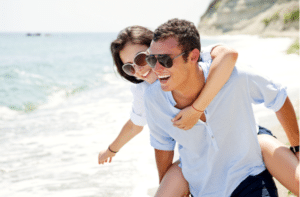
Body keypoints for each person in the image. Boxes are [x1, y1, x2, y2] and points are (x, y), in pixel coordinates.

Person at [98, 25, 299, 196]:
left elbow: (228, 55)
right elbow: (140, 128)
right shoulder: (145, 94)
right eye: (129, 68)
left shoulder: (189, 59)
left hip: (246, 137)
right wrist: (111, 149)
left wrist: (195, 109)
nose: (139, 70)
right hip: (198, 154)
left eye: (141, 59)